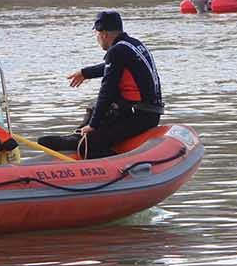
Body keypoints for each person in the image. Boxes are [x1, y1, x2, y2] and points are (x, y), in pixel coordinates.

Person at [38, 10, 163, 160]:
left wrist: (94, 125)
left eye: (96, 34)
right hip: (148, 112)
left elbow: (107, 90)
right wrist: (85, 72)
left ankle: (110, 160)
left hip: (139, 117)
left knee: (89, 145)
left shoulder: (116, 51)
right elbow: (113, 67)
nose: (96, 38)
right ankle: (78, 134)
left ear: (103, 33)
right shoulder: (132, 44)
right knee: (96, 108)